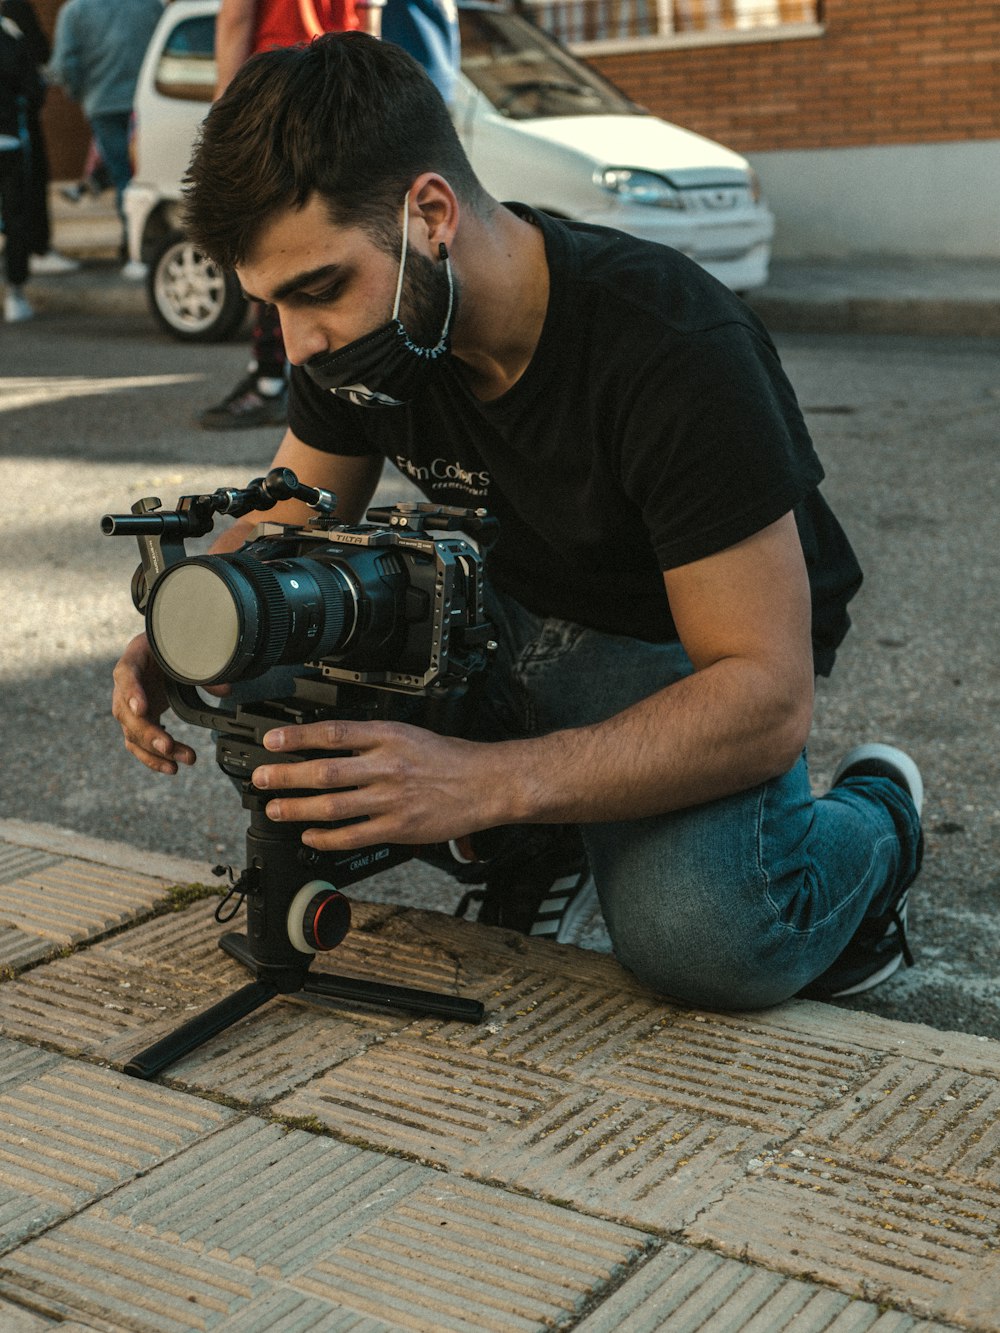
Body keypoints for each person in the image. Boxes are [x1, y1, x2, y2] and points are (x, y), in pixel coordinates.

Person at [112, 33, 924, 1010]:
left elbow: (761, 698)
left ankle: (878, 818)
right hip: (493, 615)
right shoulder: (366, 340)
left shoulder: (671, 345)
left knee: (704, 938)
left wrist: (485, 782)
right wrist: (181, 627)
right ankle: (544, 834)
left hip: (675, 652)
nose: (300, 342)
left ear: (431, 213)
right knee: (263, 652)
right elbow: (280, 522)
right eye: (271, 305)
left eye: (318, 288)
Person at [199, 0, 460, 430]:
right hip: (347, 89)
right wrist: (372, 100)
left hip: (275, 101)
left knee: (280, 258)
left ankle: (268, 379)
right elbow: (369, 10)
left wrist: (225, 121)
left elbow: (236, 17)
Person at [47, 0, 162, 271]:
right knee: (147, 176)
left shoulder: (76, 11)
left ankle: (135, 250)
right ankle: (146, 244)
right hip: (147, 102)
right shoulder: (149, 6)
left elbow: (63, 65)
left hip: (103, 103)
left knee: (124, 176)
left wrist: (82, 95)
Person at [0, 0, 79, 276]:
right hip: (15, 131)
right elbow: (35, 60)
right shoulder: (13, 15)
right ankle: (34, 252)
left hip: (13, 127)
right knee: (21, 200)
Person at [0, 1, 43, 321]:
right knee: (15, 218)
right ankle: (14, 292)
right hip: (9, 142)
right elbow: (32, 89)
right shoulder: (10, 39)